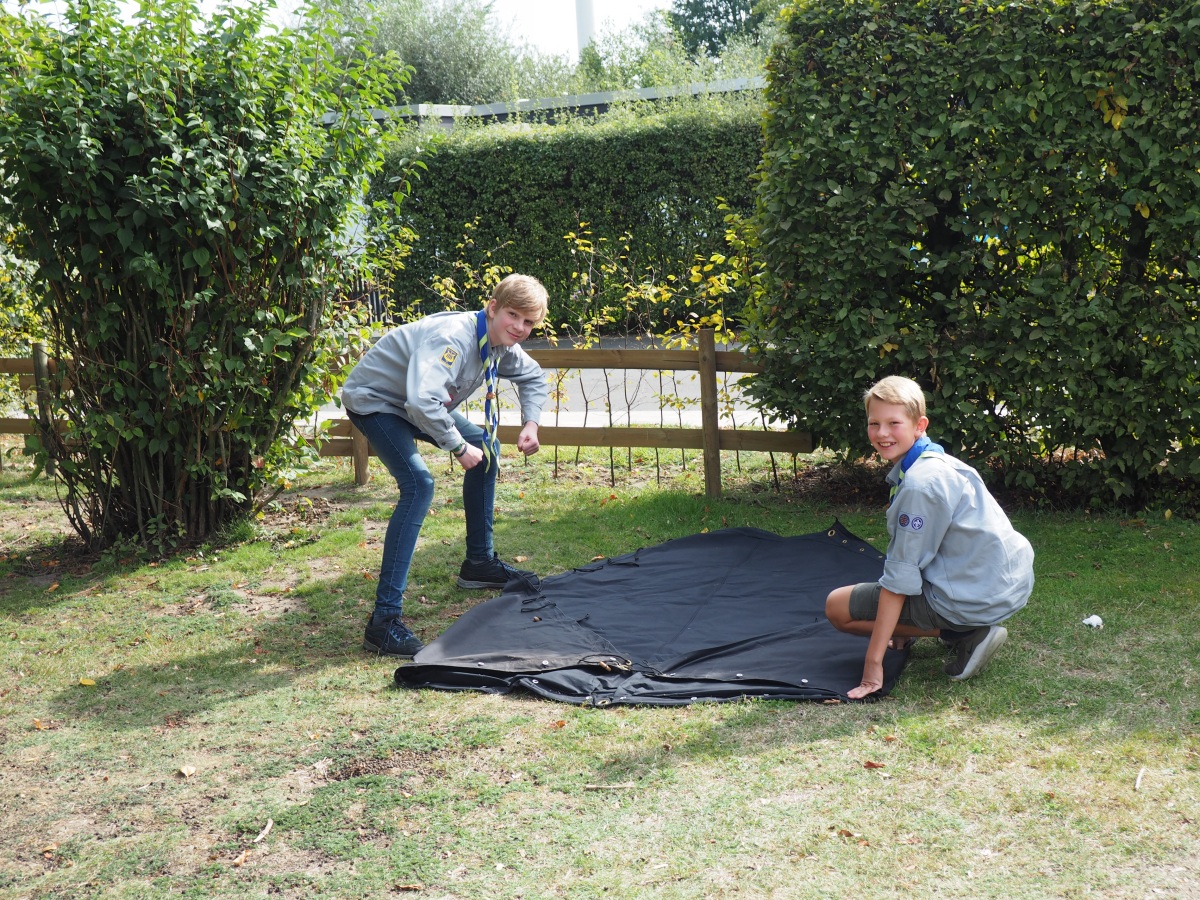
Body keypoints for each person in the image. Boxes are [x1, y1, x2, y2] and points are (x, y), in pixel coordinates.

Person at [341, 274, 550, 658]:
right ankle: (383, 623)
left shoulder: (499, 342)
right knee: (419, 485)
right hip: (376, 401)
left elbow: (534, 376)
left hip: (415, 403)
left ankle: (479, 563)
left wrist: (531, 423)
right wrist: (457, 446)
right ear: (493, 307)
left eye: (529, 322)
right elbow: (422, 402)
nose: (520, 327)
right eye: (513, 315)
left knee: (486, 449)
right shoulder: (453, 339)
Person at [825, 375, 1034, 699]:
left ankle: (965, 633)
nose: (882, 433)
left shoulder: (920, 485)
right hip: (1005, 584)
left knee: (837, 607)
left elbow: (900, 579)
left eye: (894, 423)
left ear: (919, 425)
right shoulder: (938, 461)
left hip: (975, 595)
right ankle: (959, 626)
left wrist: (873, 662)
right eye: (874, 423)